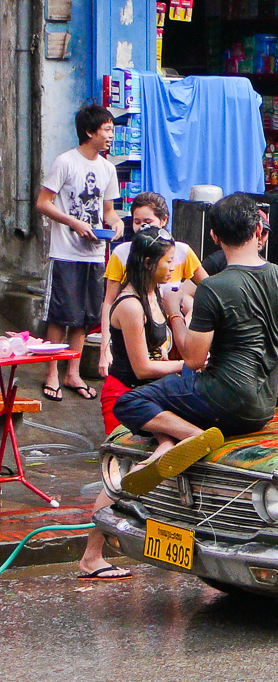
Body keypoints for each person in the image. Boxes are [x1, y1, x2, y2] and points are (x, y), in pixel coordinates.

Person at [114, 194, 278, 495]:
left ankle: (196, 435)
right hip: (262, 407)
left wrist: (174, 314)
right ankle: (168, 445)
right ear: (258, 232)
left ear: (214, 236)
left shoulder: (213, 287)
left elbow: (194, 359)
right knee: (171, 398)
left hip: (219, 400)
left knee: (130, 402)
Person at [81, 227, 189, 580]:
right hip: (125, 396)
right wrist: (187, 366)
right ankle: (90, 557)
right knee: (119, 474)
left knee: (168, 452)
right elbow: (143, 367)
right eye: (167, 261)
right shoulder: (129, 304)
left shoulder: (155, 294)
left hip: (152, 393)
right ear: (147, 262)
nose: (173, 267)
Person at [36, 104, 123, 402]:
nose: (111, 135)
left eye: (112, 129)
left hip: (95, 253)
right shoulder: (65, 162)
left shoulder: (108, 169)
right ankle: (51, 373)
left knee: (85, 317)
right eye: (107, 129)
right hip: (65, 252)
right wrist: (73, 222)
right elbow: (43, 203)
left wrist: (117, 224)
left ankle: (72, 372)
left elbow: (108, 211)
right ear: (89, 131)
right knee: (59, 315)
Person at [99, 192, 207, 377]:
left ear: (164, 220)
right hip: (142, 356)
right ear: (147, 263)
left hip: (169, 340)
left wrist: (188, 313)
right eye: (137, 222)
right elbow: (109, 302)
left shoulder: (178, 253)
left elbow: (208, 287)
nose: (143, 227)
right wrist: (104, 348)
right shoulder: (122, 256)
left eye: (148, 221)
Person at [202, 204, 270, 275]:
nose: (259, 237)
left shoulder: (268, 269)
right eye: (254, 232)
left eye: (264, 233)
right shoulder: (215, 262)